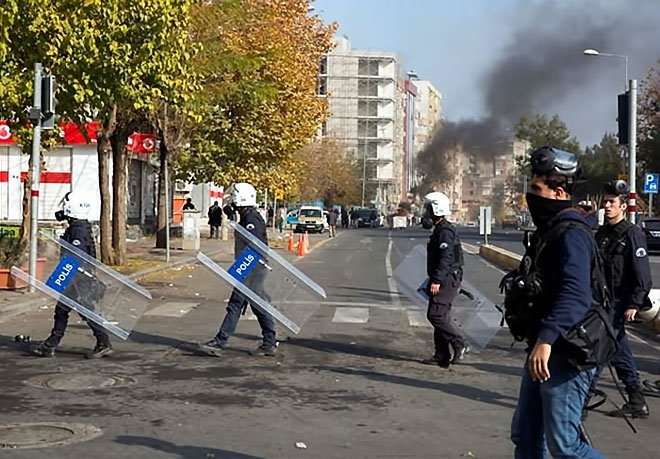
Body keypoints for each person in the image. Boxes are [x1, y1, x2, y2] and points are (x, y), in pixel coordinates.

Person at [508, 146, 605, 458]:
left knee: (565, 447)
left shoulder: (570, 234)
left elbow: (577, 294)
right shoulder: (550, 231)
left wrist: (546, 339)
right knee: (526, 437)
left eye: (537, 189)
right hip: (546, 346)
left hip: (567, 350)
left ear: (560, 191)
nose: (530, 196)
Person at [590, 179, 651, 419]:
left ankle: (583, 399)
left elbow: (643, 276)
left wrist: (634, 304)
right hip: (601, 301)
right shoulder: (602, 233)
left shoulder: (632, 234)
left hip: (619, 303)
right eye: (605, 202)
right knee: (618, 350)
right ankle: (637, 400)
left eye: (612, 203)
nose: (607, 206)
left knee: (601, 349)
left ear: (623, 206)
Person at [199, 182, 277, 357]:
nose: (232, 200)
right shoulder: (248, 216)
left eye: (234, 197)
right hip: (250, 266)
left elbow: (254, 246)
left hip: (252, 267)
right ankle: (269, 342)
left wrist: (240, 269)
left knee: (237, 304)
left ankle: (220, 342)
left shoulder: (252, 219)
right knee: (257, 305)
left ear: (240, 197)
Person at [32, 191, 113, 359]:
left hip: (78, 278)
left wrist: (64, 276)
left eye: (65, 205)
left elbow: (77, 256)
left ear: (72, 207)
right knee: (62, 310)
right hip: (76, 277)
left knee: (85, 312)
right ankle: (51, 344)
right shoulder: (79, 226)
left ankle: (103, 343)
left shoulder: (78, 229)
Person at [420, 191, 468, 368]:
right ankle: (441, 353)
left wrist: (437, 280)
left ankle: (459, 343)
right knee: (441, 314)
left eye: (428, 209)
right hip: (444, 277)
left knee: (436, 315)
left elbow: (446, 257)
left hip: (447, 278)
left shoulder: (445, 231)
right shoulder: (441, 229)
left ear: (436, 210)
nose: (426, 214)